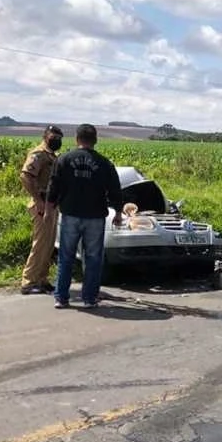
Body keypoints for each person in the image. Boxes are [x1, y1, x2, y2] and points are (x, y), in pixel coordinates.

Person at [46, 124, 124, 309]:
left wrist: (49, 210)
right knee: (93, 258)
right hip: (95, 217)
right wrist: (119, 213)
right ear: (95, 140)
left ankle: (61, 298)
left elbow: (53, 186)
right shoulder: (104, 163)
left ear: (76, 139)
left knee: (66, 256)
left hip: (70, 215)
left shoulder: (64, 159)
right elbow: (115, 190)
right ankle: (89, 298)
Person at [18, 125, 64, 295]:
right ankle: (28, 281)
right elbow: (25, 176)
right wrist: (38, 200)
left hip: (51, 205)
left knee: (49, 245)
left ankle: (42, 279)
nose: (56, 140)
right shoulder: (38, 154)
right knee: (40, 244)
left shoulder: (52, 156)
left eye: (59, 138)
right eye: (54, 137)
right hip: (42, 204)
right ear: (45, 136)